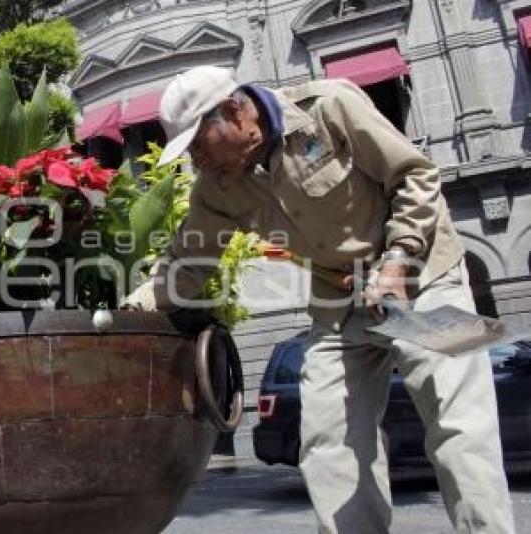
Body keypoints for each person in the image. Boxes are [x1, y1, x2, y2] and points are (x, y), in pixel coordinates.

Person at [124, 66, 516, 533]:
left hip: (424, 276)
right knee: (329, 442)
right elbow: (186, 266)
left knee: (460, 428)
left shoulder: (331, 106)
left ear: (233, 111)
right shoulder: (220, 187)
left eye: (198, 146)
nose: (197, 163)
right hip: (339, 301)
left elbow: (416, 175)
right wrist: (133, 310)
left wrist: (398, 259)